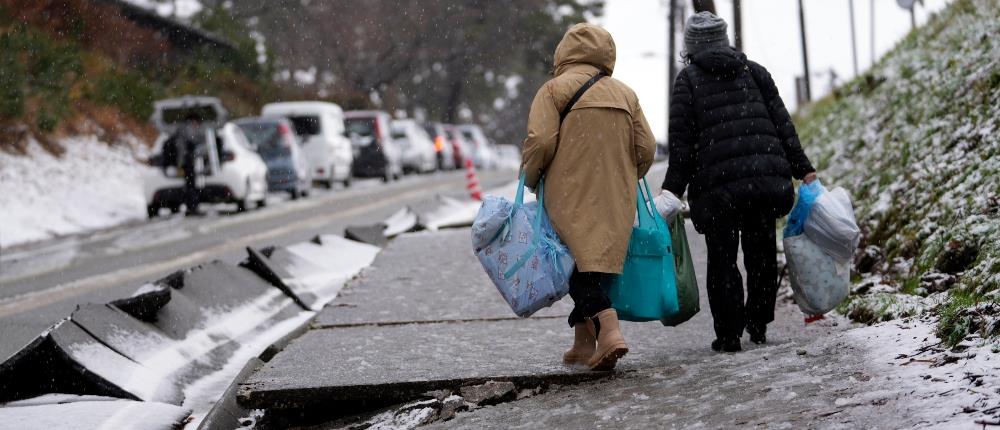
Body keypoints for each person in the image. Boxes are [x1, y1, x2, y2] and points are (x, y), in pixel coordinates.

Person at [661, 12, 817, 353]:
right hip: (762, 180)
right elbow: (783, 124)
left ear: (690, 46)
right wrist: (803, 168)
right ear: (724, 40)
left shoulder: (687, 81)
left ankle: (729, 335)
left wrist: (671, 190)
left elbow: (683, 145)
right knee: (761, 253)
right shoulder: (754, 72)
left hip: (718, 189)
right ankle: (758, 322)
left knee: (722, 259)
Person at [522, 23, 656, 370]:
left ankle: (609, 331)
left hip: (568, 194)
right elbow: (647, 148)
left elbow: (541, 141)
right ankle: (583, 343)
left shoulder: (553, 91)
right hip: (615, 196)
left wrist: (531, 177)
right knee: (592, 266)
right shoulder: (625, 94)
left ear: (564, 54)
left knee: (571, 266)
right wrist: (624, 177)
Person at [163, 113, 206, 216]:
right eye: (196, 122)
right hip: (187, 163)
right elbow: (191, 144)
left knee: (189, 186)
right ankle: (192, 207)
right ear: (192, 121)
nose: (197, 125)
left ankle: (190, 207)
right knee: (191, 186)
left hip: (183, 163)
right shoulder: (188, 130)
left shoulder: (180, 130)